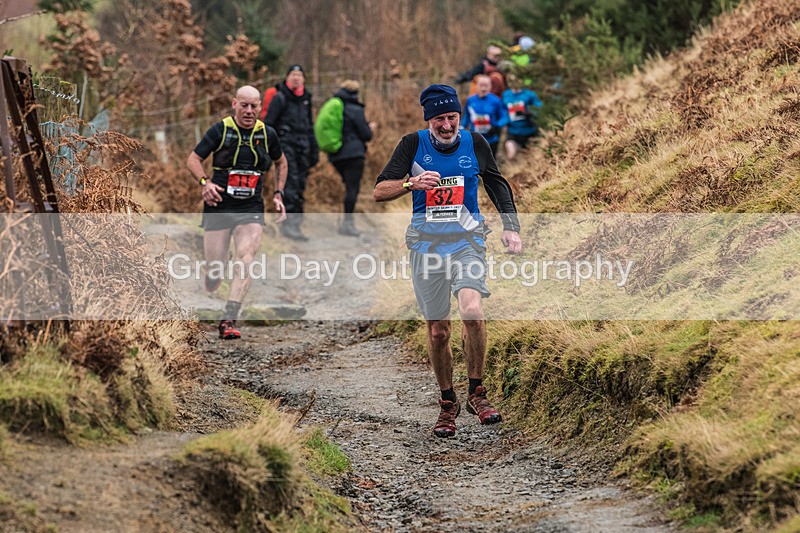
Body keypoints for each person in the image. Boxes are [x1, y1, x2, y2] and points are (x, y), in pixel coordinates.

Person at [373, 84, 523, 438]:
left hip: (466, 242)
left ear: (460, 116)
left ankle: (477, 393)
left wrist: (511, 227)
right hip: (425, 248)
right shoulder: (412, 145)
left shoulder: (476, 143)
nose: (446, 124)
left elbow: (497, 185)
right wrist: (411, 184)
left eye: (452, 117)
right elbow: (379, 191)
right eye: (439, 118)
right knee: (439, 331)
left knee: (472, 311)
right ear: (429, 120)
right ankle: (447, 402)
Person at [187, 85, 288, 340]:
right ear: (234, 104)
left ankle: (229, 318)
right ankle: (214, 274)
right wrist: (205, 183)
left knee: (245, 258)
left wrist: (278, 193)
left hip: (250, 207)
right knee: (216, 266)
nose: (249, 111)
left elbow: (281, 162)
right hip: (219, 204)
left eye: (254, 106)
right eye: (244, 105)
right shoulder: (221, 130)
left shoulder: (267, 134)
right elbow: (193, 159)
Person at [265, 64, 319, 241]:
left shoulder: (306, 98)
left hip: (302, 146)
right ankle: (289, 224)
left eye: (299, 75)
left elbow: (310, 125)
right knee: (291, 184)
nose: (296, 78)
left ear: (304, 78)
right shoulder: (280, 98)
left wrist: (314, 149)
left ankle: (296, 224)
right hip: (285, 145)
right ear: (287, 77)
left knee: (301, 185)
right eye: (293, 74)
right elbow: (269, 125)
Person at [326, 80, 376, 236]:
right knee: (352, 188)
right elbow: (366, 135)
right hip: (354, 155)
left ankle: (344, 221)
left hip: (336, 155)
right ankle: (348, 224)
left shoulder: (336, 107)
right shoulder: (355, 109)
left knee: (348, 186)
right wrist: (370, 128)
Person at [461, 75, 509, 158]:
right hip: (476, 138)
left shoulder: (496, 100)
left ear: (490, 87)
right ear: (476, 86)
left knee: (490, 163)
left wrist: (497, 126)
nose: (483, 89)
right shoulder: (470, 100)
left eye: (486, 86)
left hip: (491, 138)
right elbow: (466, 116)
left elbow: (504, 117)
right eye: (481, 86)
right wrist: (461, 127)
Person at [502, 74, 543, 160]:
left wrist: (529, 113)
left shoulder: (529, 94)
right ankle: (511, 169)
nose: (514, 83)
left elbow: (540, 109)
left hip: (529, 131)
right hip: (513, 131)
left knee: (530, 158)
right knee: (511, 154)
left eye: (516, 81)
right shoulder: (506, 95)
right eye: (511, 81)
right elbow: (503, 111)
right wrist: (501, 123)